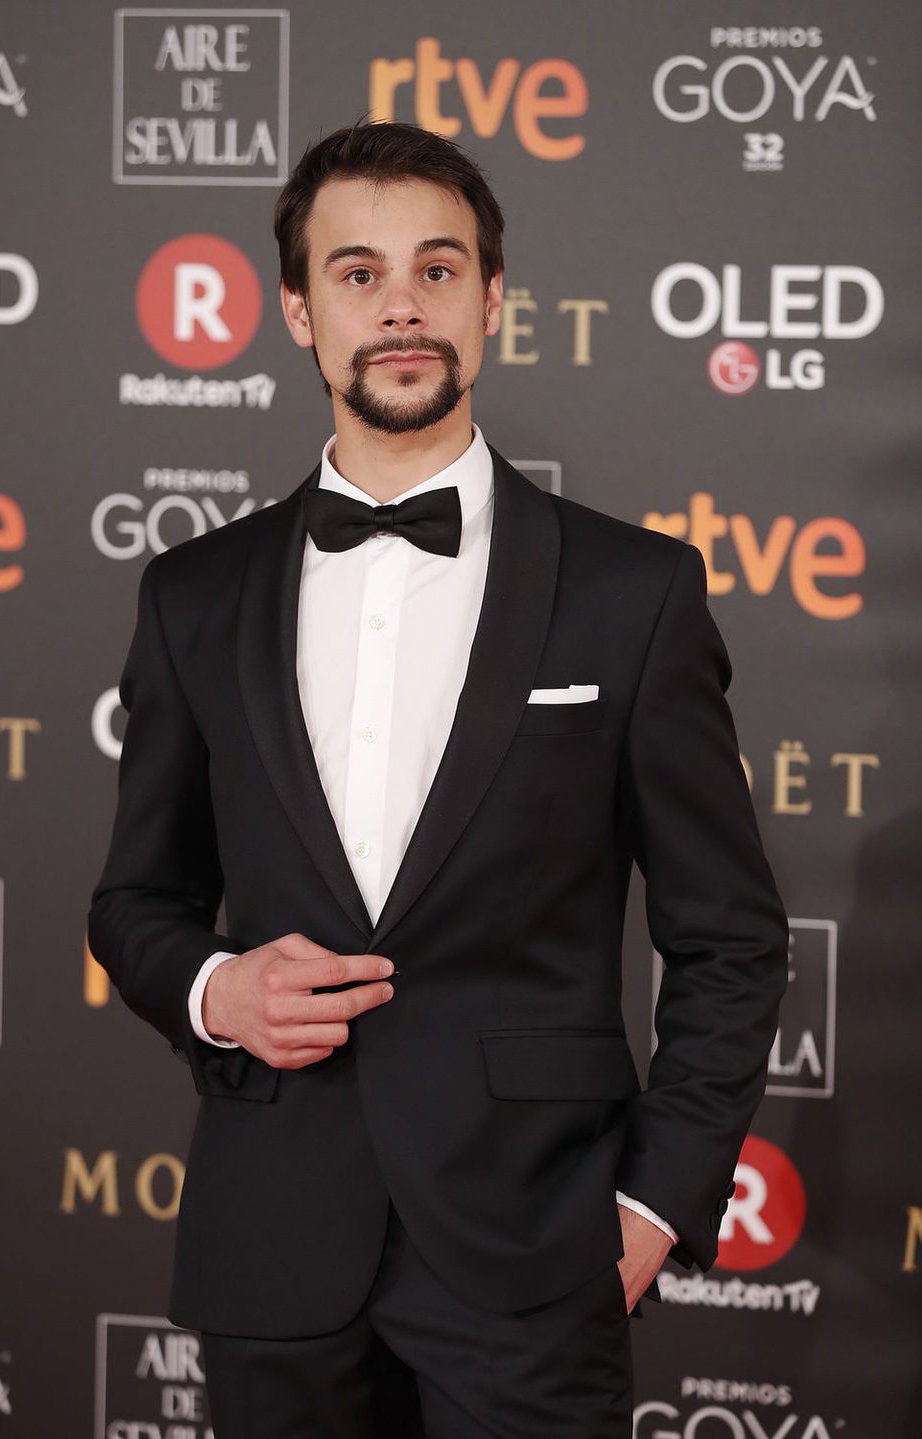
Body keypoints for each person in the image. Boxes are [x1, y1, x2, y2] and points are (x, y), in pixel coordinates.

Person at [88, 120, 789, 1438]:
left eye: (437, 268)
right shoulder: (195, 596)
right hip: (274, 1242)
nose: (401, 304)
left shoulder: (632, 593)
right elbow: (135, 900)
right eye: (357, 272)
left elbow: (732, 940)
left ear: (494, 301)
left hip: (538, 1256)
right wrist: (216, 988)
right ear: (296, 306)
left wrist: (647, 1213)